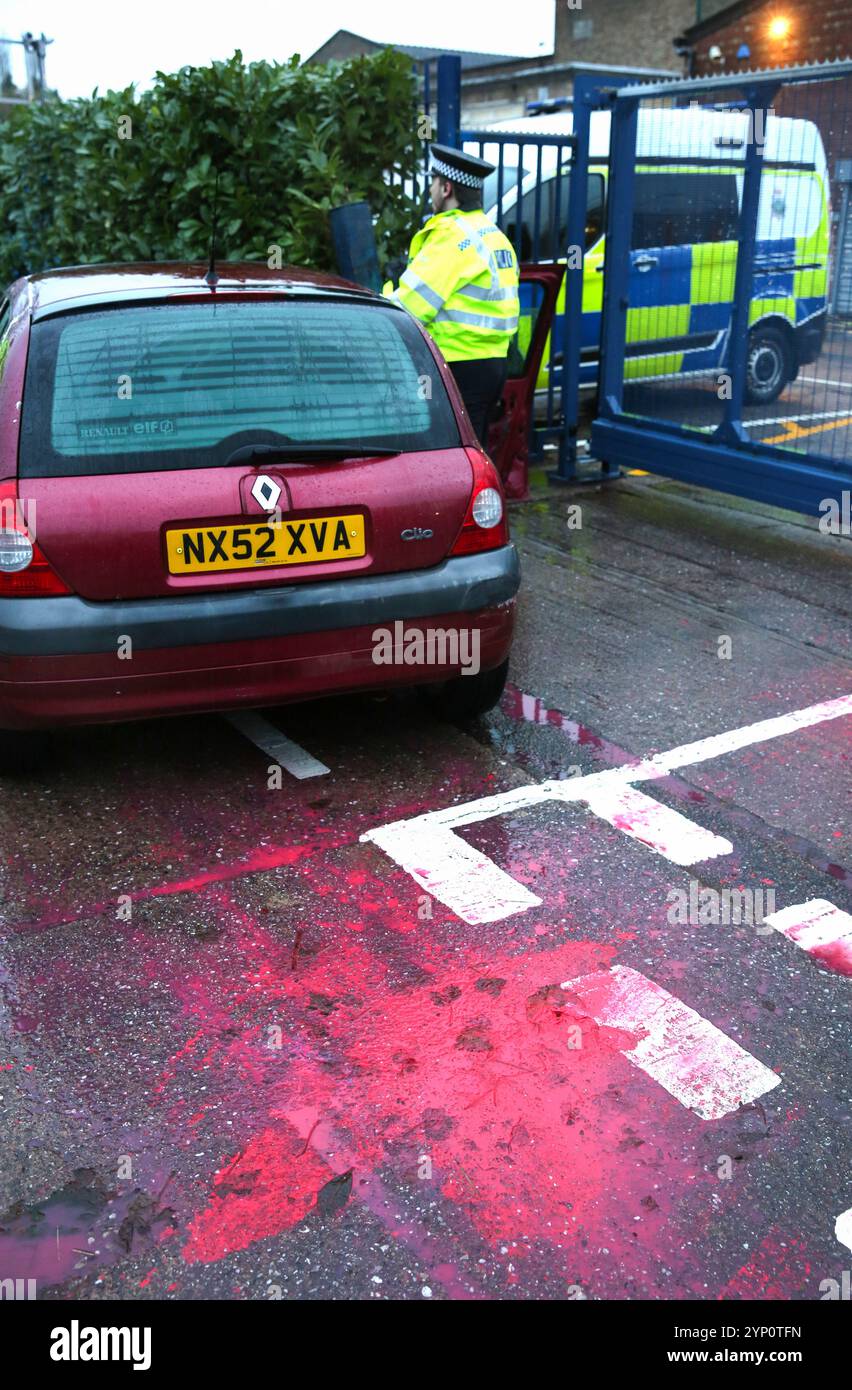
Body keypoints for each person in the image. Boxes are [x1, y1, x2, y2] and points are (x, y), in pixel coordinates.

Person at [383, 143, 520, 442]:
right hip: (494, 363)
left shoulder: (451, 237)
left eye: (433, 182)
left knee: (450, 454)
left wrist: (385, 290)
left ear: (446, 188)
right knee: (476, 447)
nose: (430, 189)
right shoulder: (493, 235)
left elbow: (409, 309)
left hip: (458, 365)